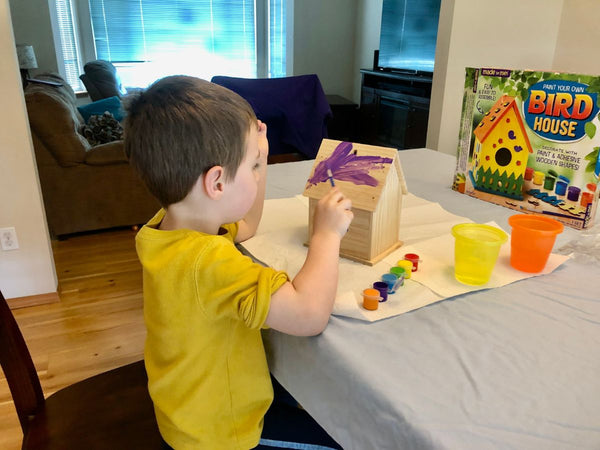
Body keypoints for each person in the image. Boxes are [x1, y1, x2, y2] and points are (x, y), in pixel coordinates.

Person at [124, 75, 353, 450]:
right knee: (345, 437)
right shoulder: (208, 260)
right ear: (216, 184)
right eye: (253, 167)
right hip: (221, 432)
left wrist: (256, 158)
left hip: (186, 408)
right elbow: (309, 315)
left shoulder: (166, 229)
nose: (259, 171)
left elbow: (245, 226)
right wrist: (327, 235)